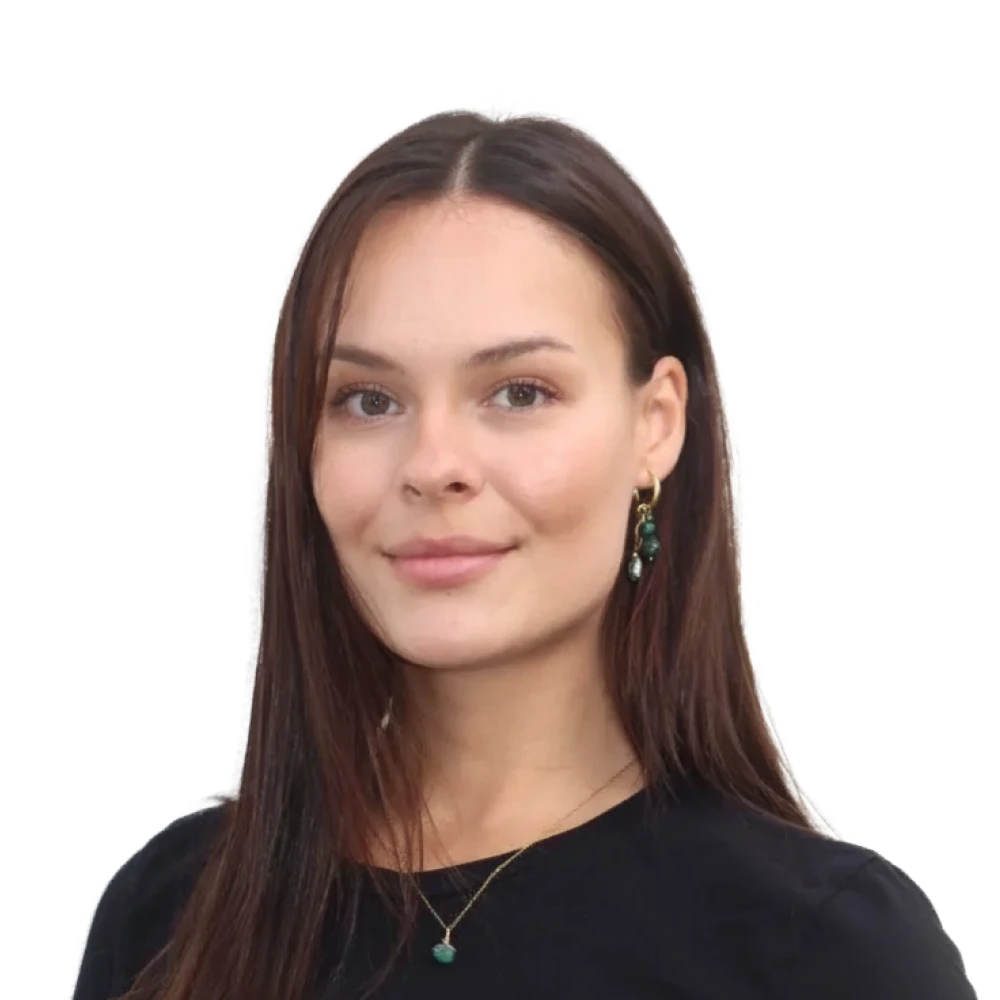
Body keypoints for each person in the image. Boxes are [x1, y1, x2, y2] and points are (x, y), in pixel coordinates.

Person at [71, 110, 979, 1000]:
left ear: (655, 424)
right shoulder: (169, 917)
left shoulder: (826, 954)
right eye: (368, 401)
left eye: (518, 391)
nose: (433, 467)